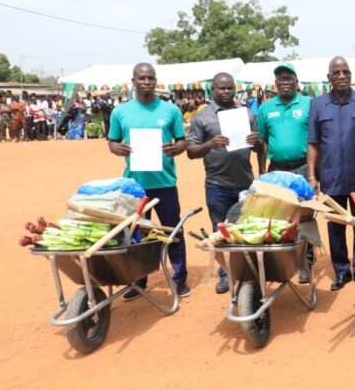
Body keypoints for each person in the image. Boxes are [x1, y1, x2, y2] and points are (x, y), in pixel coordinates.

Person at [108, 63, 190, 299]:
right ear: (133, 80)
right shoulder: (120, 112)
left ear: (156, 80)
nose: (146, 82)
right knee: (136, 234)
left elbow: (182, 141)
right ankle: (138, 280)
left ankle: (179, 279)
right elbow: (112, 142)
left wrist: (176, 148)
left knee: (172, 231)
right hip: (135, 186)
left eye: (150, 78)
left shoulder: (170, 110)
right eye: (142, 78)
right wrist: (117, 148)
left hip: (164, 183)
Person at [307, 56, 355, 291]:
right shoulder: (317, 105)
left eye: (346, 72)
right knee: (336, 227)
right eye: (336, 72)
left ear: (350, 75)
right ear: (328, 77)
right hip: (331, 176)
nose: (342, 76)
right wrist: (312, 176)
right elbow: (313, 144)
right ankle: (341, 271)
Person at [187, 72, 260, 294]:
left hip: (245, 182)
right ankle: (226, 275)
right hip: (217, 184)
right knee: (220, 231)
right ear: (213, 89)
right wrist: (210, 144)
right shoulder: (202, 117)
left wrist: (256, 141)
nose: (226, 91)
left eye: (230, 87)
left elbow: (260, 146)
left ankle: (249, 272)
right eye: (221, 88)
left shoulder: (247, 114)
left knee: (247, 229)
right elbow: (191, 151)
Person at [257, 62, 321, 283]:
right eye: (281, 79)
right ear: (275, 83)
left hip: (303, 167)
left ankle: (305, 260)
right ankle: (282, 259)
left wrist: (314, 173)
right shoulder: (265, 108)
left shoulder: (308, 104)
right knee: (279, 216)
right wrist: (261, 171)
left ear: (296, 82)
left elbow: (315, 140)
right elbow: (262, 141)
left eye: (289, 78)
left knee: (304, 216)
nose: (285, 82)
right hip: (277, 170)